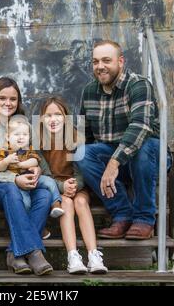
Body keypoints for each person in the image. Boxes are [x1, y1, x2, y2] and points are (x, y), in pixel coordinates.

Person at [75, 40, 172, 240]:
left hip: (149, 157)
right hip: (115, 158)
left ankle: (144, 219)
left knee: (143, 146)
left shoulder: (138, 85)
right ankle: (122, 214)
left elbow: (141, 127)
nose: (100, 66)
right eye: (95, 62)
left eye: (106, 60)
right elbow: (86, 136)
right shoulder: (89, 91)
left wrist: (113, 163)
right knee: (81, 153)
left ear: (120, 61)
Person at [0, 77, 54, 276]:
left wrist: (38, 170)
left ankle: (14, 254)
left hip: (23, 184)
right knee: (10, 189)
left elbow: (36, 156)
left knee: (44, 195)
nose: (8, 103)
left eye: (13, 99)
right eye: (2, 98)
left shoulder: (23, 126)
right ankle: (35, 252)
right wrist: (15, 179)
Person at [39, 97, 108, 274]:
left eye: (57, 115)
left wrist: (75, 185)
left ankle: (94, 255)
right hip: (54, 187)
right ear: (41, 119)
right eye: (48, 116)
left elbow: (81, 169)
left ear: (66, 117)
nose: (53, 119)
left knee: (80, 202)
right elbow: (45, 175)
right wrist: (63, 187)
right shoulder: (37, 141)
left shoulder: (77, 137)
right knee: (67, 204)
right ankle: (73, 256)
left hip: (77, 184)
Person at [0, 115, 64, 218]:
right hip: (15, 185)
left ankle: (55, 204)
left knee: (50, 182)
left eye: (25, 134)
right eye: (17, 134)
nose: (21, 137)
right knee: (25, 203)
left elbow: (34, 161)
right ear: (8, 137)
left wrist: (21, 164)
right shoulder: (4, 150)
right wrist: (6, 161)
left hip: (32, 178)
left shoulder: (29, 148)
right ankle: (30, 223)